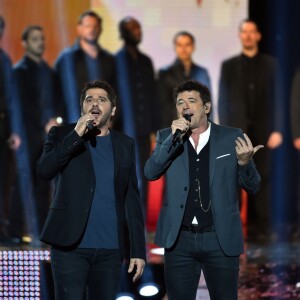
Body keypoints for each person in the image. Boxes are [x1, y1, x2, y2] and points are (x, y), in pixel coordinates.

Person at [144, 80, 261, 300]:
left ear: (206, 107)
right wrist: (171, 140)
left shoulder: (231, 137)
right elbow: (151, 172)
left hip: (220, 238)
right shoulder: (166, 137)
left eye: (191, 101)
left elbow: (253, 186)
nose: (185, 107)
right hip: (179, 239)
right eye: (180, 102)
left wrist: (245, 164)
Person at [36, 80, 146, 299]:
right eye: (89, 100)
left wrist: (138, 251)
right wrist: (75, 136)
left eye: (102, 100)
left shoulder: (125, 144)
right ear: (82, 108)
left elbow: (131, 199)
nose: (94, 104)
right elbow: (44, 170)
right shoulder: (61, 135)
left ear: (112, 110)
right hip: (69, 248)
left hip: (110, 250)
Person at [218, 19, 282, 239]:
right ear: (240, 36)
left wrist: (278, 130)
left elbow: (279, 99)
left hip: (266, 132)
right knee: (235, 179)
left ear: (258, 36)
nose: (247, 35)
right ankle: (234, 228)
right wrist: (225, 132)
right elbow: (223, 100)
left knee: (263, 179)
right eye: (244, 32)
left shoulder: (272, 65)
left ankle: (263, 228)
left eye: (251, 32)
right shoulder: (229, 66)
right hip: (237, 133)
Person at [9, 25, 58, 242]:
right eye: (35, 39)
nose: (40, 42)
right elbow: (21, 104)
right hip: (27, 134)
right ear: (25, 43)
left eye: (42, 38)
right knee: (23, 183)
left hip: (46, 136)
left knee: (43, 185)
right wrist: (43, 121)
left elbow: (56, 101)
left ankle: (40, 232)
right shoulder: (19, 71)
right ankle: (14, 232)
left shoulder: (49, 71)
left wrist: (55, 120)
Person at [115, 16, 159, 211]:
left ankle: (137, 220)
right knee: (123, 174)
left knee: (143, 173)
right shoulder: (116, 60)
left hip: (143, 129)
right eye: (133, 28)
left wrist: (155, 129)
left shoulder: (146, 61)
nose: (138, 31)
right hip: (122, 129)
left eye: (139, 28)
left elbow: (152, 95)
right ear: (123, 33)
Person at [55, 10, 116, 123]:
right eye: (88, 26)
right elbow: (56, 91)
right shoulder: (67, 58)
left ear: (100, 29)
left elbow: (115, 91)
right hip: (74, 124)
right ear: (79, 28)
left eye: (95, 26)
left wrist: (112, 118)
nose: (92, 30)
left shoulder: (109, 59)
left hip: (103, 125)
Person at [158, 31, 211, 128]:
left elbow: (208, 104)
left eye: (187, 45)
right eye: (179, 45)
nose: (183, 49)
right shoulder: (165, 73)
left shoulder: (202, 73)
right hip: (173, 128)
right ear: (175, 47)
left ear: (193, 47)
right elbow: (161, 106)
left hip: (199, 128)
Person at [0, 15, 15, 241]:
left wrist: (14, 131)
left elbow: (12, 99)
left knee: (3, 182)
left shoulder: (4, 59)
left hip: (2, 128)